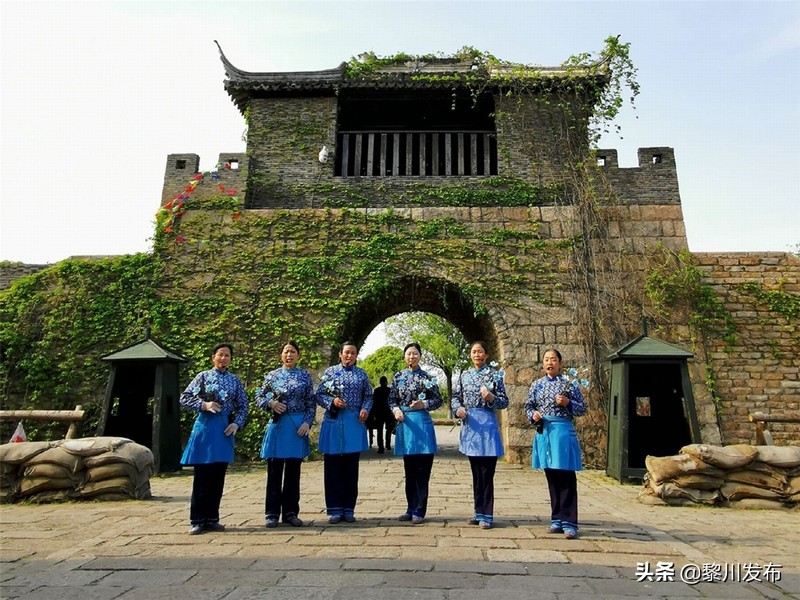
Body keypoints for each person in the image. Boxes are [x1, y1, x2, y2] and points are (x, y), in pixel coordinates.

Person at [179, 342, 249, 535]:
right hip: (205, 428)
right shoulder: (203, 377)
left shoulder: (234, 381)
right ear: (213, 357)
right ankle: (197, 519)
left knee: (218, 477)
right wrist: (204, 405)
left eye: (227, 355)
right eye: (220, 355)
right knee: (202, 476)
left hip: (223, 429)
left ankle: (212, 517)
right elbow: (184, 397)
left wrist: (237, 423)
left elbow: (243, 405)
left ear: (231, 360)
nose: (223, 358)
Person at [525, 348, 586, 540]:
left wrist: (568, 403)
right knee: (551, 476)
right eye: (546, 360)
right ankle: (556, 519)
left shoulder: (569, 384)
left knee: (566, 477)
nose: (549, 363)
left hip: (562, 433)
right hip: (545, 433)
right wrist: (533, 416)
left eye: (553, 359)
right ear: (542, 364)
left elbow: (581, 408)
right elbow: (529, 406)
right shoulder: (536, 385)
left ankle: (570, 522)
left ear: (560, 363)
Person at [255, 341, 316, 528]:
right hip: (278, 425)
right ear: (281, 355)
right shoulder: (272, 376)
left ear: (298, 356)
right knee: (274, 472)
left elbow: (310, 403)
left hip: (297, 427)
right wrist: (271, 404)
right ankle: (271, 513)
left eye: (293, 352)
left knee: (293, 472)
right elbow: (259, 397)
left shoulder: (304, 376)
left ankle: (290, 512)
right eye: (286, 351)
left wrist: (307, 422)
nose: (289, 355)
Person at [451, 340, 508, 529]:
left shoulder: (495, 375)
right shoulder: (464, 375)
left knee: (487, 472)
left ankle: (487, 514)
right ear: (470, 355)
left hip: (488, 425)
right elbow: (455, 397)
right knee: (476, 472)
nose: (477, 355)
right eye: (474, 352)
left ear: (487, 355)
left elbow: (504, 401)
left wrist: (491, 398)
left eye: (480, 351)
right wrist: (458, 409)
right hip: (471, 426)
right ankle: (478, 511)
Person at [315, 341, 373, 523]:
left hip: (353, 422)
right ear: (340, 354)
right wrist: (332, 402)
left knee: (351, 468)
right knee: (332, 467)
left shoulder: (361, 374)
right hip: (333, 421)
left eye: (353, 353)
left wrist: (365, 408)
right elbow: (319, 394)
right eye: (346, 353)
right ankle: (334, 509)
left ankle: (349, 508)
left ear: (356, 356)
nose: (349, 356)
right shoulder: (330, 372)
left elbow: (369, 396)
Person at [388, 342, 443, 524]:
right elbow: (391, 399)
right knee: (409, 469)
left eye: (415, 354)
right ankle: (410, 507)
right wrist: (396, 410)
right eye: (409, 354)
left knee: (422, 469)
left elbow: (438, 399)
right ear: (404, 357)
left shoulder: (428, 377)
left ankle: (420, 509)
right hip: (405, 424)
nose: (412, 357)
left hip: (422, 422)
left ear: (420, 356)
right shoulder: (398, 377)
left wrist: (424, 405)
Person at [368, 376, 393, 453]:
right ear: (386, 382)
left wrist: (372, 414)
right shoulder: (390, 390)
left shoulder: (377, 391)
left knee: (380, 430)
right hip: (388, 412)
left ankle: (381, 447)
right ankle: (388, 445)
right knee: (388, 429)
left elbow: (374, 403)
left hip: (379, 412)